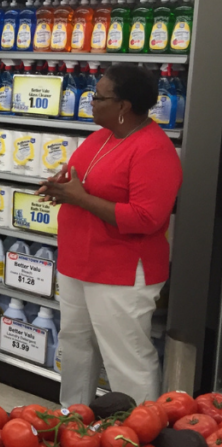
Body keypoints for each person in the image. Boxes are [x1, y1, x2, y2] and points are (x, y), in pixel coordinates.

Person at [38, 64, 182, 405]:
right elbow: (77, 177)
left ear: (124, 107)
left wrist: (80, 199)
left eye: (99, 97)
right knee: (76, 345)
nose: (91, 102)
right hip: (80, 261)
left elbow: (147, 217)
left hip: (121, 271)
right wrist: (58, 187)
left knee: (125, 357)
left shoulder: (153, 150)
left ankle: (139, 431)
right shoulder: (100, 137)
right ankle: (74, 418)